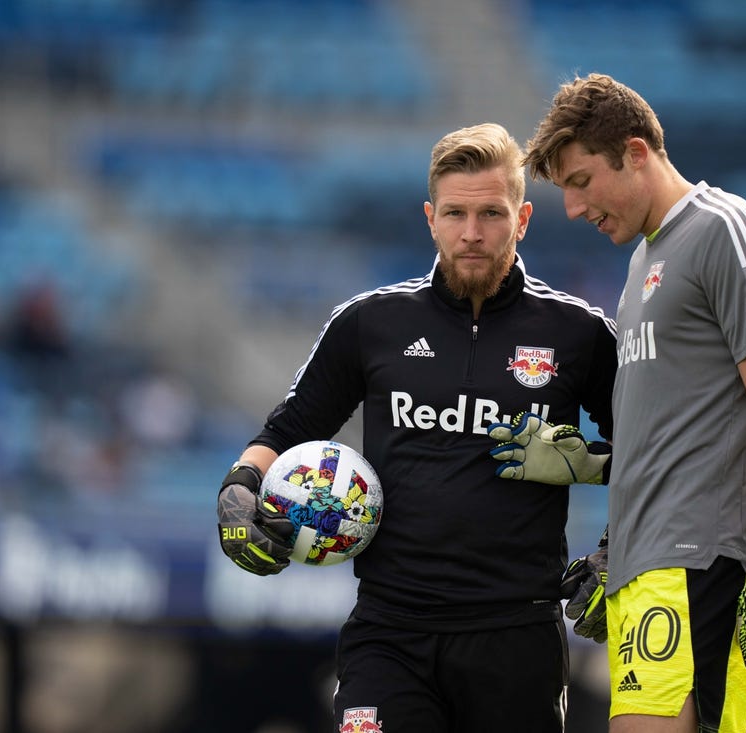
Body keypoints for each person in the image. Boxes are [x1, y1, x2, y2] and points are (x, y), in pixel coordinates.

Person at [215, 122, 618, 733]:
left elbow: (651, 453)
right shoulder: (368, 323)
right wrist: (240, 487)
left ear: (525, 218)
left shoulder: (579, 334)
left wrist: (620, 546)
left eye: (491, 213)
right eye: (455, 213)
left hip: (516, 637)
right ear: (431, 218)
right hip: (390, 632)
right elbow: (292, 426)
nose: (472, 233)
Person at [491, 73, 746, 732]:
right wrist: (615, 541)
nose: (575, 209)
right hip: (651, 565)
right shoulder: (643, 262)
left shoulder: (730, 232)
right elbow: (678, 430)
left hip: (701, 562)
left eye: (580, 182)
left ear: (637, 153)